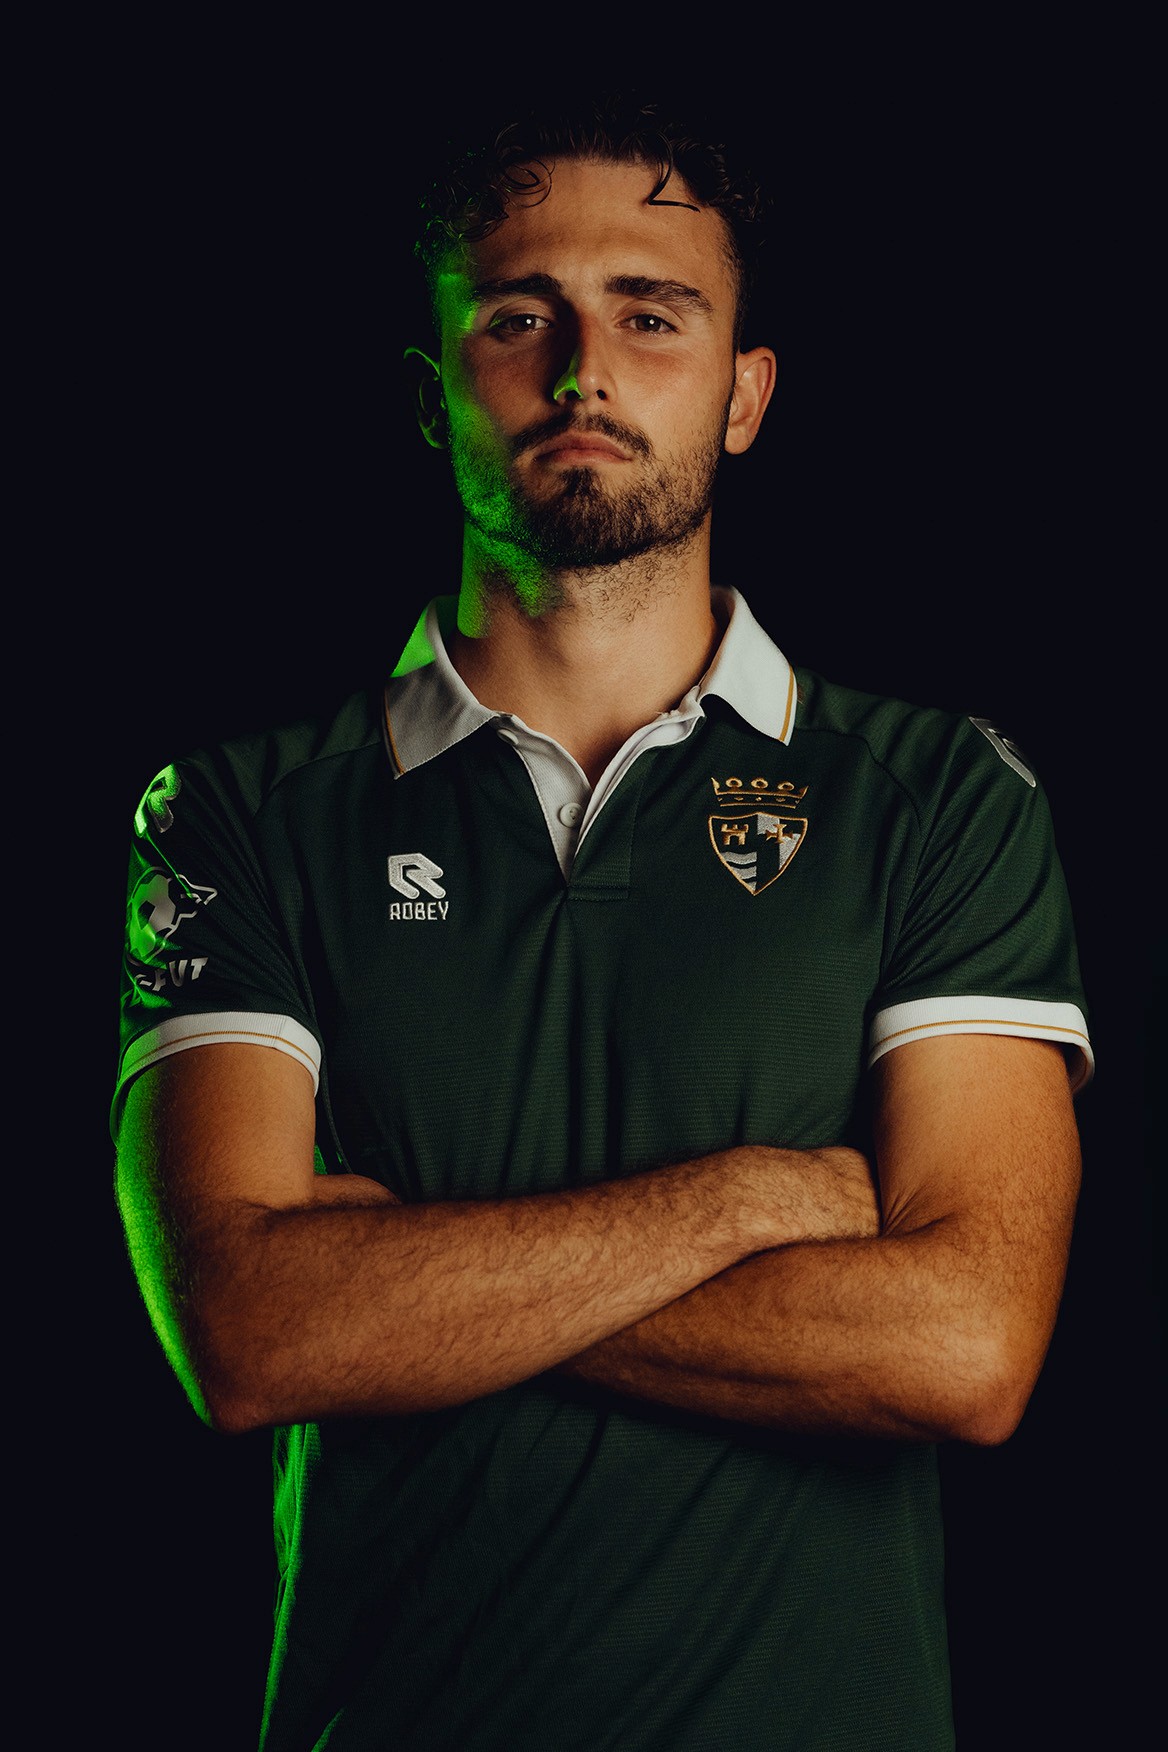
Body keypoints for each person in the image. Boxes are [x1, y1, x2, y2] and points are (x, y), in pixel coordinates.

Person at [114, 97, 1091, 1751]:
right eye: (520, 318)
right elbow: (251, 1330)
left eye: (652, 315)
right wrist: (759, 1199)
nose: (584, 373)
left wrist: (404, 1275)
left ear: (744, 393)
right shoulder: (234, 812)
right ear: (429, 395)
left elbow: (967, 1345)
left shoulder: (939, 797)